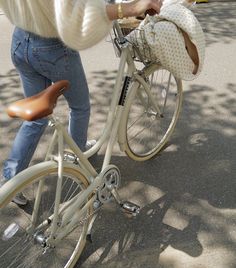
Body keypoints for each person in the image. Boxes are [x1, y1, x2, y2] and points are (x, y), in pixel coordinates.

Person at [0, 0, 163, 205]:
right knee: (79, 107)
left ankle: (10, 181)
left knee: (37, 117)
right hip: (52, 47)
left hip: (21, 39)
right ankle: (75, 166)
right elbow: (78, 18)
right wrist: (129, 8)